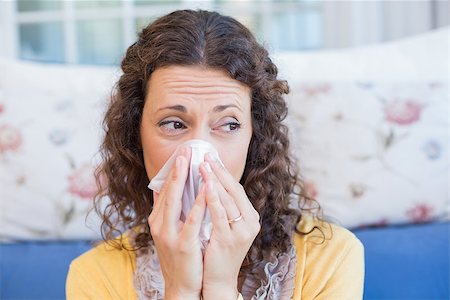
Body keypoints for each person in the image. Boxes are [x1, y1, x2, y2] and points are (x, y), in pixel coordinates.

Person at [66, 9, 364, 300]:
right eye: (174, 123)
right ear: (136, 135)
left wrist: (220, 287)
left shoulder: (330, 257)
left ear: (254, 137)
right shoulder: (94, 276)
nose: (199, 154)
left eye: (229, 124)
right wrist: (180, 291)